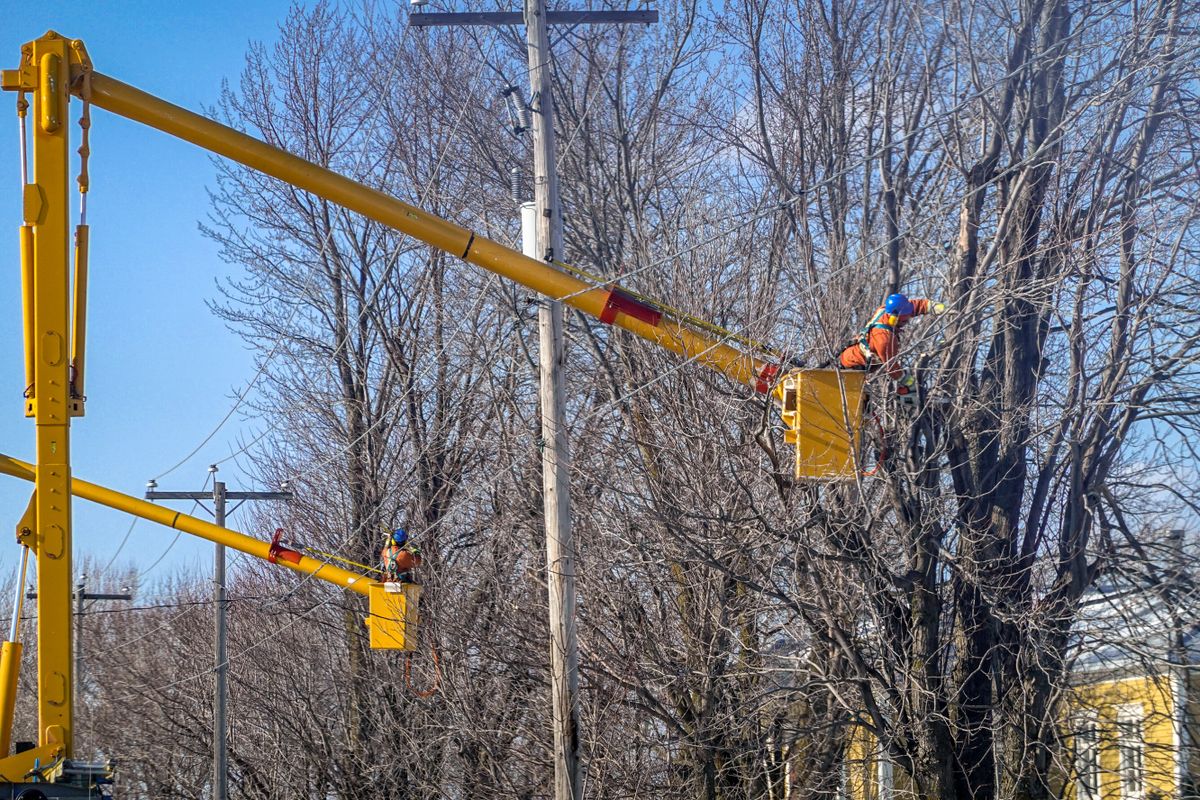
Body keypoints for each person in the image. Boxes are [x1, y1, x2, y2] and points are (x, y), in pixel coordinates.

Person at [838, 293, 945, 404]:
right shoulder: (884, 339)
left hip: (853, 357)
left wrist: (937, 307)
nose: (908, 320)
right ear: (894, 319)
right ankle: (909, 410)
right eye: (904, 320)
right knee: (907, 384)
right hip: (853, 367)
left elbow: (914, 306)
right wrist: (910, 383)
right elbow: (891, 367)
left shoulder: (885, 310)